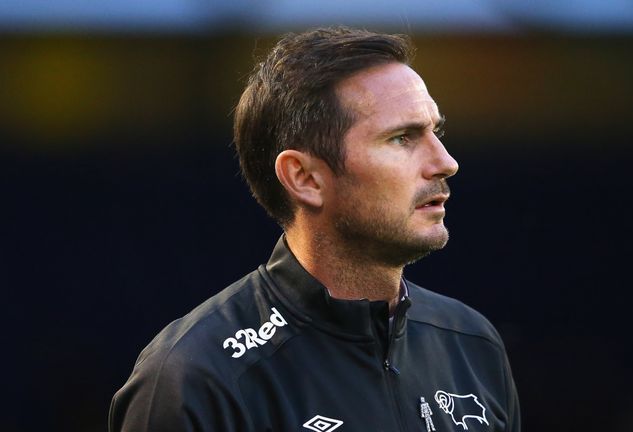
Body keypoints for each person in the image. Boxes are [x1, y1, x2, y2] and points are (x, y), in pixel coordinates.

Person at [109, 26, 520, 432]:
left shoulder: (471, 344)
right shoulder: (196, 378)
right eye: (401, 138)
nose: (446, 162)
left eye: (436, 132)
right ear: (305, 178)